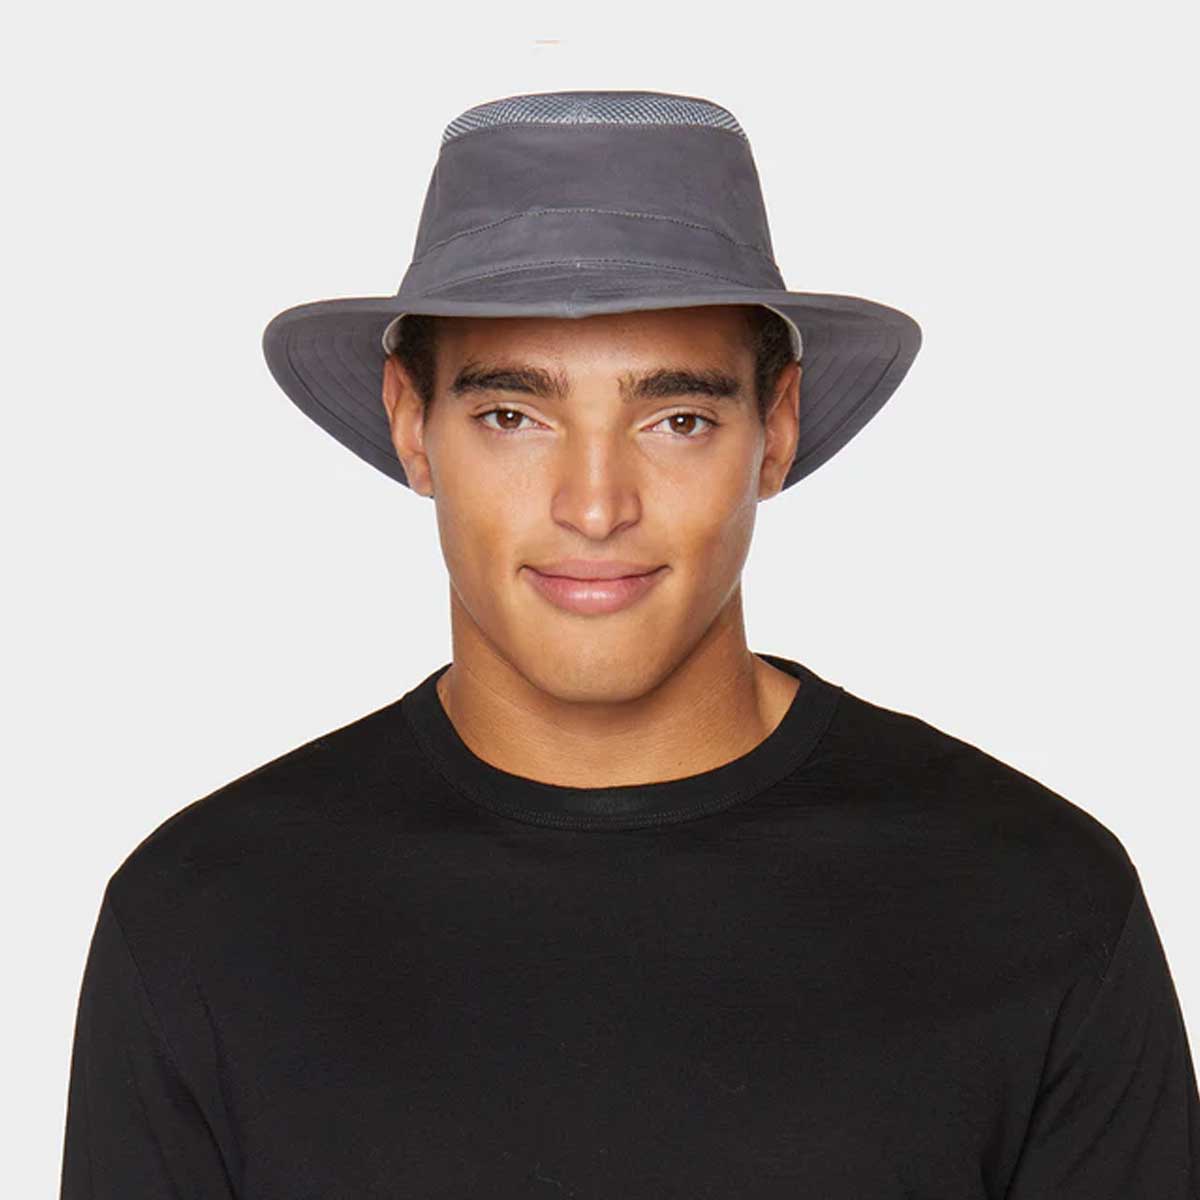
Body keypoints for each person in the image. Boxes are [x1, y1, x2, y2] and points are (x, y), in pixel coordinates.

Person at [59, 90, 1199, 1198]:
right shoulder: (207, 923)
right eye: (512, 416)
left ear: (776, 430)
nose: (596, 506)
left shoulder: (1032, 902)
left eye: (677, 419)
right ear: (413, 426)